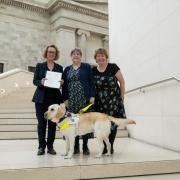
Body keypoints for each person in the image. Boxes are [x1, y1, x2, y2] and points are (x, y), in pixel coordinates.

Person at [92, 48, 126, 154]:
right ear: (96, 59)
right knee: (102, 125)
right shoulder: (93, 70)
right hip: (99, 103)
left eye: (102, 55)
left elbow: (122, 82)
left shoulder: (113, 67)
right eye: (98, 56)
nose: (100, 57)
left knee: (112, 125)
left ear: (106, 57)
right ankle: (104, 147)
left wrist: (122, 97)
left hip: (113, 102)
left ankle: (110, 146)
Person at [62, 48, 95, 155]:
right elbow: (65, 86)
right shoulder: (67, 69)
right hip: (72, 100)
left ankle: (85, 146)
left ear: (81, 56)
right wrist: (65, 99)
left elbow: (91, 82)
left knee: (85, 123)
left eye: (78, 54)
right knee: (73, 123)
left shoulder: (86, 67)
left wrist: (92, 95)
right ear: (71, 56)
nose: (76, 55)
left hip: (84, 99)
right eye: (73, 54)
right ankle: (75, 146)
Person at [32, 45, 63, 155]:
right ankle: (41, 147)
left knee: (52, 124)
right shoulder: (40, 66)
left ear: (56, 54)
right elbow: (34, 81)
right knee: (41, 124)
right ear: (46, 53)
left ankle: (50, 146)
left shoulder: (59, 67)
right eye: (49, 52)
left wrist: (61, 83)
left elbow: (60, 82)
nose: (51, 54)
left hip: (54, 99)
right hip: (41, 100)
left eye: (53, 52)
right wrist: (41, 82)